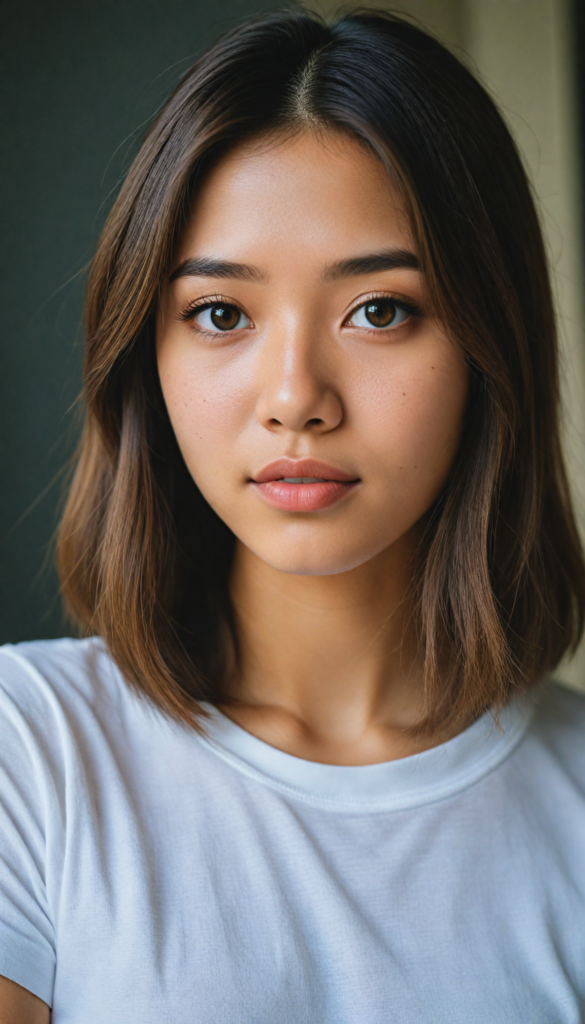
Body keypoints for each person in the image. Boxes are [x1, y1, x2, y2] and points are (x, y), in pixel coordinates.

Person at [1, 8, 585, 1022]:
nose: (295, 395)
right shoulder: (30, 753)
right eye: (222, 315)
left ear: (492, 345)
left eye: (381, 309)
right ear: (149, 356)